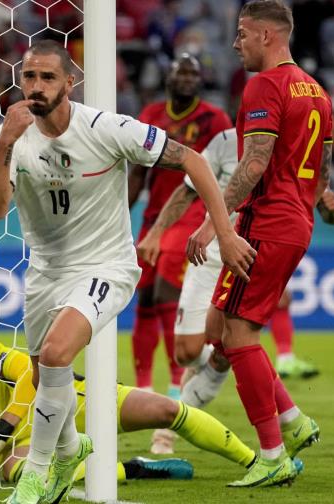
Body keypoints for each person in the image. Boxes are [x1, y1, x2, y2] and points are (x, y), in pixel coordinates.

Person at [0, 39, 254, 503]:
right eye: (29, 77)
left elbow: (191, 159)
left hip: (107, 265)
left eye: (48, 77)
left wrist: (224, 233)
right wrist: (5, 142)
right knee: (48, 372)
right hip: (45, 271)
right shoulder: (11, 135)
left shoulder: (107, 128)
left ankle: (35, 477)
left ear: (71, 82)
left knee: (54, 353)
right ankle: (69, 450)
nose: (36, 87)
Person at [184, 0, 333, 487]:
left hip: (266, 222)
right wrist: (318, 202)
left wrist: (214, 223)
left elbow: (253, 163)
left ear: (267, 35)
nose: (236, 43)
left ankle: (272, 454)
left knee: (239, 336)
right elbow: (323, 169)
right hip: (294, 221)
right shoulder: (318, 92)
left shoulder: (265, 85)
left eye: (243, 34)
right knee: (225, 327)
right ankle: (292, 422)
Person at [138, 129, 334, 444]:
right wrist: (156, 232)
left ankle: (167, 432)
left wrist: (330, 208)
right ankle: (279, 408)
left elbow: (325, 210)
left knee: (231, 344)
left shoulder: (293, 146)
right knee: (188, 352)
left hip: (250, 256)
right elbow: (187, 190)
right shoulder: (223, 141)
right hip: (209, 253)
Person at [0, 330, 271, 484]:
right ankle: (133, 469)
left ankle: (259, 462)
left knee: (166, 411)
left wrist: (1, 430)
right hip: (27, 437)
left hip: (68, 399)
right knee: (17, 473)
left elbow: (30, 374)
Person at [127, 54, 233, 408]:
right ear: (168, 79)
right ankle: (144, 385)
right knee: (143, 299)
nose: (186, 78)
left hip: (193, 218)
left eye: (193, 73)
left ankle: (176, 382)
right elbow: (138, 174)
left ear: (201, 81)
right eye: (180, 73)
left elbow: (228, 169)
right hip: (154, 218)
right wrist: (119, 215)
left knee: (164, 295)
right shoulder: (151, 116)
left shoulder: (215, 120)